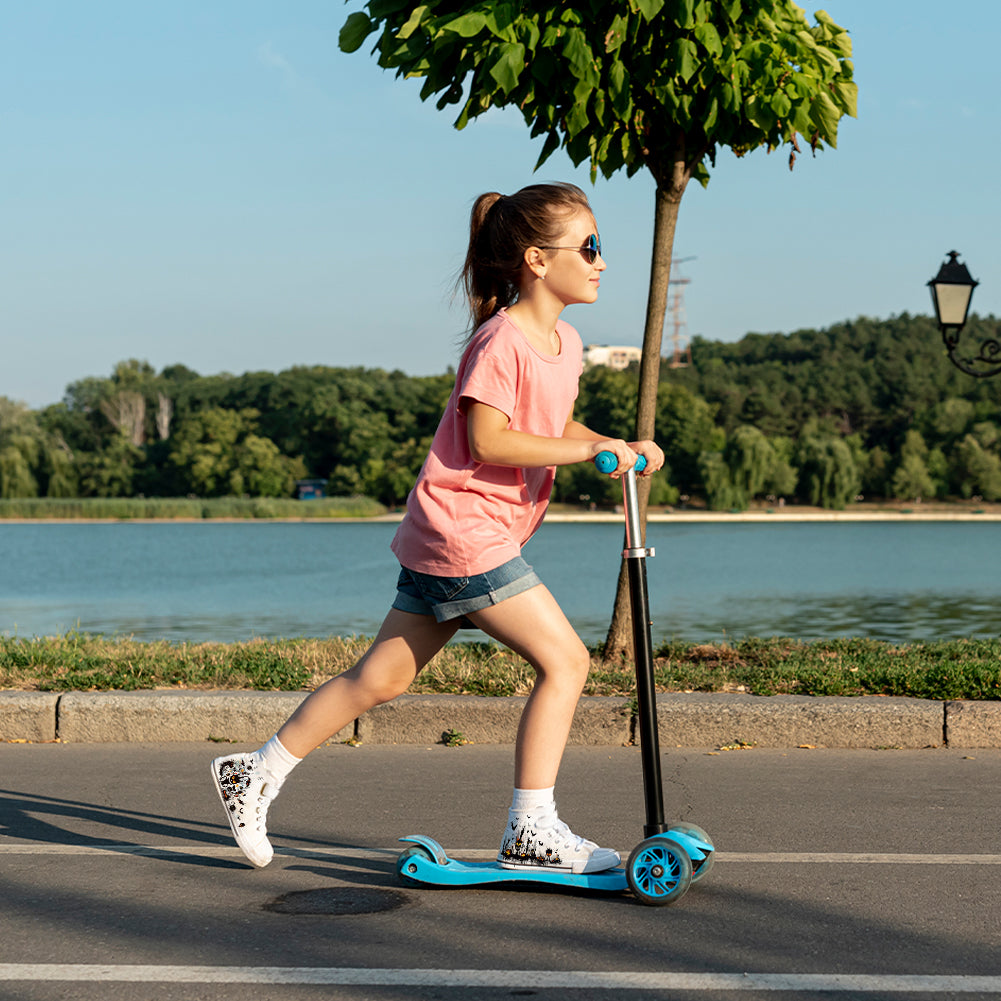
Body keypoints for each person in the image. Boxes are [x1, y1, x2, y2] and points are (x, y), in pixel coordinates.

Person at [211, 181, 664, 875]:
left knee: (379, 678)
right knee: (567, 661)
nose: (603, 261)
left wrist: (615, 444)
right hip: (463, 530)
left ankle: (255, 770)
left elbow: (548, 426)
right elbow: (489, 438)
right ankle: (530, 828)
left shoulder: (564, 343)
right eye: (591, 247)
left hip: (454, 531)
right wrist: (580, 450)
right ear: (537, 260)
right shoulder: (501, 339)